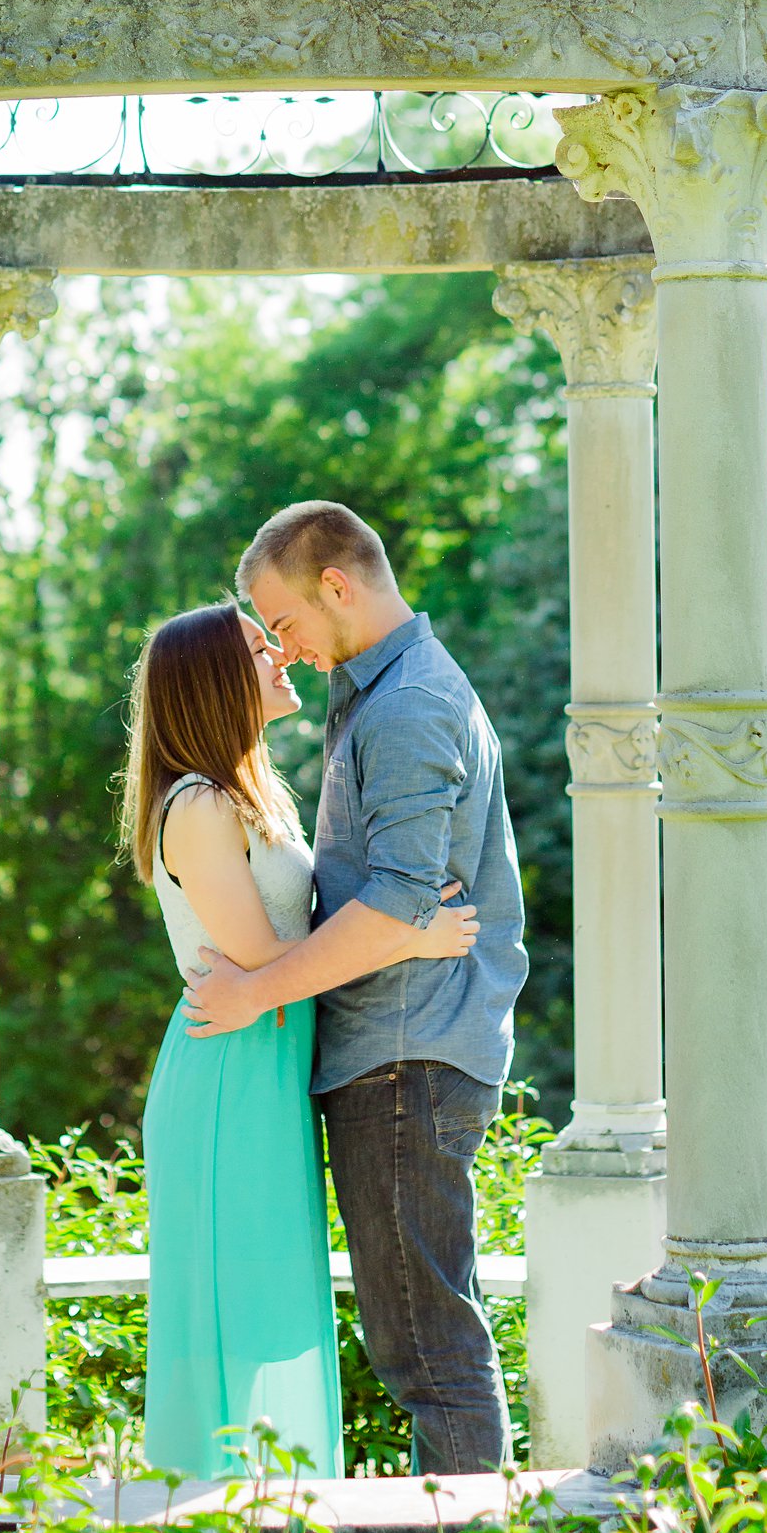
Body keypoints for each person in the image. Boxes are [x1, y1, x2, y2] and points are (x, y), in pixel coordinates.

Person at [185, 504, 528, 1479]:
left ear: (335, 586)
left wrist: (254, 989)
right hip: (395, 1052)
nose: (279, 648)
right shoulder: (376, 689)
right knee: (423, 1336)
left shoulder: (409, 703)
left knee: (428, 1348)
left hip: (404, 1058)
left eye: (281, 619)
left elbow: (392, 905)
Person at [126, 599, 479, 1481]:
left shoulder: (249, 791)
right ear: (215, 677)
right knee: (236, 1313)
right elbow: (259, 962)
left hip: (270, 1066)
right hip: (227, 1074)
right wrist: (405, 931)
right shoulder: (198, 804)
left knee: (274, 1304)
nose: (280, 652)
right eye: (258, 646)